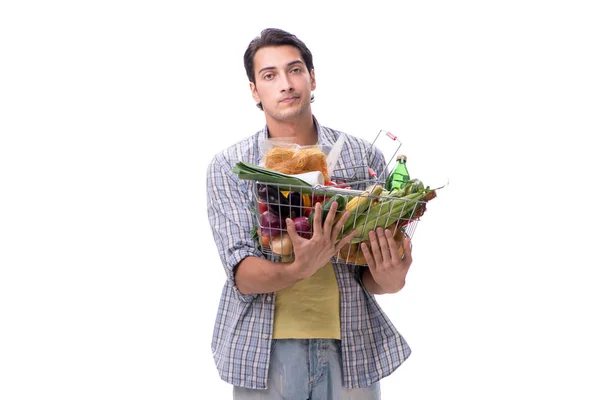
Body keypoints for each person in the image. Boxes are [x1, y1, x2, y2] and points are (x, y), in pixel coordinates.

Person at [206, 28, 413, 399]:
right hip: (265, 352)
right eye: (269, 75)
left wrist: (392, 277)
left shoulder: (361, 156)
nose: (285, 84)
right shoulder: (231, 166)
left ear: (312, 77)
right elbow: (242, 275)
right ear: (254, 90)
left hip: (351, 348)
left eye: (295, 70)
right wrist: (300, 267)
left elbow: (372, 276)